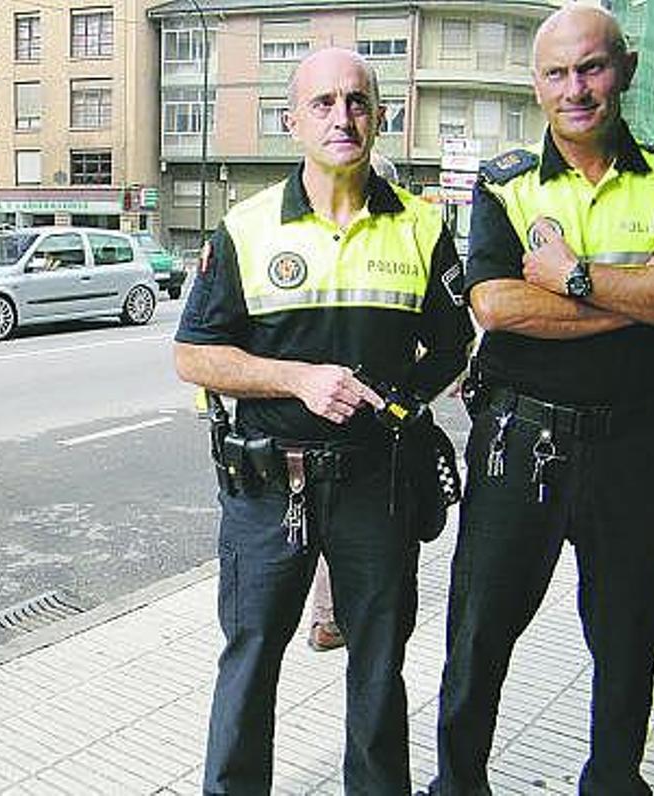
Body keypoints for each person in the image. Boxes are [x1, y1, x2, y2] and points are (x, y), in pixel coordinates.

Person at [429, 7, 654, 796]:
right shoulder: (506, 185)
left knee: (631, 636)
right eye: (558, 73)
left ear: (624, 71)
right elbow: (497, 307)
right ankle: (458, 785)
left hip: (639, 448)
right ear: (536, 85)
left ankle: (612, 782)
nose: (577, 88)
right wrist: (649, 291)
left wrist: (574, 276)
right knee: (478, 634)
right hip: (518, 445)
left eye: (592, 67)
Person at [174, 48, 472, 794]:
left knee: (379, 666)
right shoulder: (244, 229)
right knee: (249, 662)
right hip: (269, 488)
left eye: (358, 102)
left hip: (380, 485)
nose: (343, 117)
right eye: (324, 103)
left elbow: (450, 345)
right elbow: (194, 356)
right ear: (292, 121)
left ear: (379, 116)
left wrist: (398, 405)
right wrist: (297, 379)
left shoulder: (422, 228)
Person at [307, 149, 401, 654]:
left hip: (365, 424)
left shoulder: (402, 243)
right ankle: (330, 617)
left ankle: (332, 617)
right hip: (329, 420)